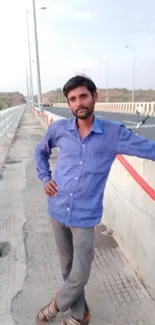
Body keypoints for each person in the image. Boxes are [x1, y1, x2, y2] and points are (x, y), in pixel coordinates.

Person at [34, 75, 155, 325]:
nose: (79, 103)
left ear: (94, 97)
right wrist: (45, 178)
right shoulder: (59, 130)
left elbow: (150, 149)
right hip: (57, 209)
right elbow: (40, 152)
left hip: (85, 216)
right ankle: (79, 316)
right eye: (73, 99)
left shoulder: (113, 134)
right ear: (68, 104)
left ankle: (55, 306)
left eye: (83, 96)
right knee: (67, 268)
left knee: (80, 272)